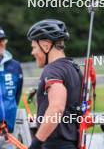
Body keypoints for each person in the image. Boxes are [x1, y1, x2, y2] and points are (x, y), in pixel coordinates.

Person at [27, 19, 82, 149]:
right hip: (72, 142)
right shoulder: (74, 67)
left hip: (56, 144)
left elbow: (57, 108)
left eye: (34, 47)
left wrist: (36, 143)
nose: (32, 52)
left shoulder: (52, 70)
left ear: (46, 45)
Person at [0, 27, 23, 149]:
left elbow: (16, 95)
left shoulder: (15, 66)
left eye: (3, 40)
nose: (2, 43)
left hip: (8, 131)